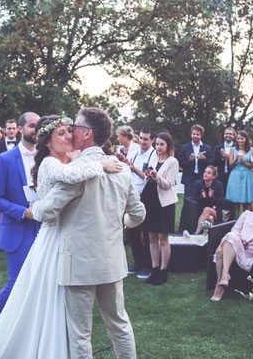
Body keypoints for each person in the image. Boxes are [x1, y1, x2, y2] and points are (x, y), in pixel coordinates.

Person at [0, 115, 125, 358]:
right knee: (37, 294)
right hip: (48, 234)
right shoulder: (49, 164)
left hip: (62, 238)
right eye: (62, 133)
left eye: (69, 131)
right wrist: (102, 165)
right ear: (47, 141)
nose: (68, 136)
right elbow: (72, 176)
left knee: (54, 299)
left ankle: (59, 346)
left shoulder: (70, 159)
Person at [30, 107, 146, 358]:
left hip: (78, 265)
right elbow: (138, 214)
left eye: (76, 128)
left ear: (87, 134)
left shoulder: (76, 171)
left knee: (80, 333)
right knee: (120, 325)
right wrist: (121, 222)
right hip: (111, 260)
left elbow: (46, 212)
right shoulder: (122, 169)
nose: (71, 132)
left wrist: (34, 205)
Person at [0, 112, 40, 343]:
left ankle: (25, 328)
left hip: (44, 229)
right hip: (17, 229)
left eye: (38, 126)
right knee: (16, 284)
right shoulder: (5, 158)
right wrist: (24, 212)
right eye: (32, 126)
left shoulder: (47, 158)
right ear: (20, 129)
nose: (36, 129)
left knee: (38, 283)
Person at [211, 190, 253, 302]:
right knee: (230, 237)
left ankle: (221, 282)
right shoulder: (247, 214)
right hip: (237, 243)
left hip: (249, 251)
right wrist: (241, 239)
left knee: (220, 251)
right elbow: (235, 230)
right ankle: (223, 278)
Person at [141, 131, 178, 285]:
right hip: (151, 201)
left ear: (168, 145)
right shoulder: (153, 157)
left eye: (162, 144)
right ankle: (154, 269)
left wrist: (157, 177)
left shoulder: (172, 161)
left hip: (164, 203)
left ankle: (163, 271)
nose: (159, 147)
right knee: (151, 237)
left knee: (163, 238)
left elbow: (168, 184)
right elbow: (146, 176)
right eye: (157, 144)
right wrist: (148, 176)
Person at [122, 127, 156, 279]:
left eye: (146, 139)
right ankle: (138, 261)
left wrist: (133, 168)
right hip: (133, 195)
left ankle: (147, 265)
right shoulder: (135, 152)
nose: (142, 141)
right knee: (132, 230)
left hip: (147, 195)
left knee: (147, 232)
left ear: (152, 140)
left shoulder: (154, 155)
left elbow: (147, 177)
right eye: (141, 138)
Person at [226, 130, 253, 216]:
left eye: (242, 138)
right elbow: (230, 165)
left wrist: (245, 163)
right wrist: (236, 160)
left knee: (247, 203)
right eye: (238, 139)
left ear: (246, 139)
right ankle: (236, 222)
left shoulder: (252, 150)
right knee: (236, 203)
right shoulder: (233, 149)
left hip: (247, 176)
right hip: (235, 175)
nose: (240, 140)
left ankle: (249, 221)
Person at [193, 165, 224, 234]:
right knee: (210, 218)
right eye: (205, 172)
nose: (205, 174)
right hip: (201, 211)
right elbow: (194, 199)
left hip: (216, 211)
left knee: (207, 209)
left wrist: (212, 197)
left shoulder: (218, 185)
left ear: (214, 176)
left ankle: (196, 234)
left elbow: (221, 201)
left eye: (209, 173)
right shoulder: (198, 184)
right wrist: (201, 196)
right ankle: (209, 237)